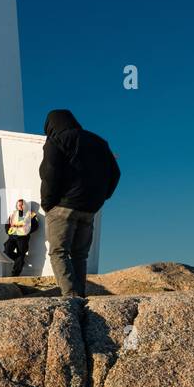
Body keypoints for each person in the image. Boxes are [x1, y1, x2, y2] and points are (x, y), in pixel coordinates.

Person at [40, 109, 120, 298]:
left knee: (58, 252)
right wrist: (101, 197)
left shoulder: (57, 141)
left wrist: (48, 204)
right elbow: (115, 173)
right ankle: (80, 294)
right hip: (89, 209)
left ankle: (70, 294)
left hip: (62, 207)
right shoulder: (100, 142)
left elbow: (49, 174)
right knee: (79, 254)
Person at [2, 198, 39, 277]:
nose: (21, 206)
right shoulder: (13, 214)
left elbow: (35, 226)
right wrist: (8, 231)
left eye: (22, 204)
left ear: (25, 205)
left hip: (23, 238)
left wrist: (27, 231)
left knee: (21, 253)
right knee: (7, 250)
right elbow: (7, 224)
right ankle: (20, 261)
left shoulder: (30, 214)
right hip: (13, 236)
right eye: (19, 205)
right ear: (17, 206)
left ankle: (15, 274)